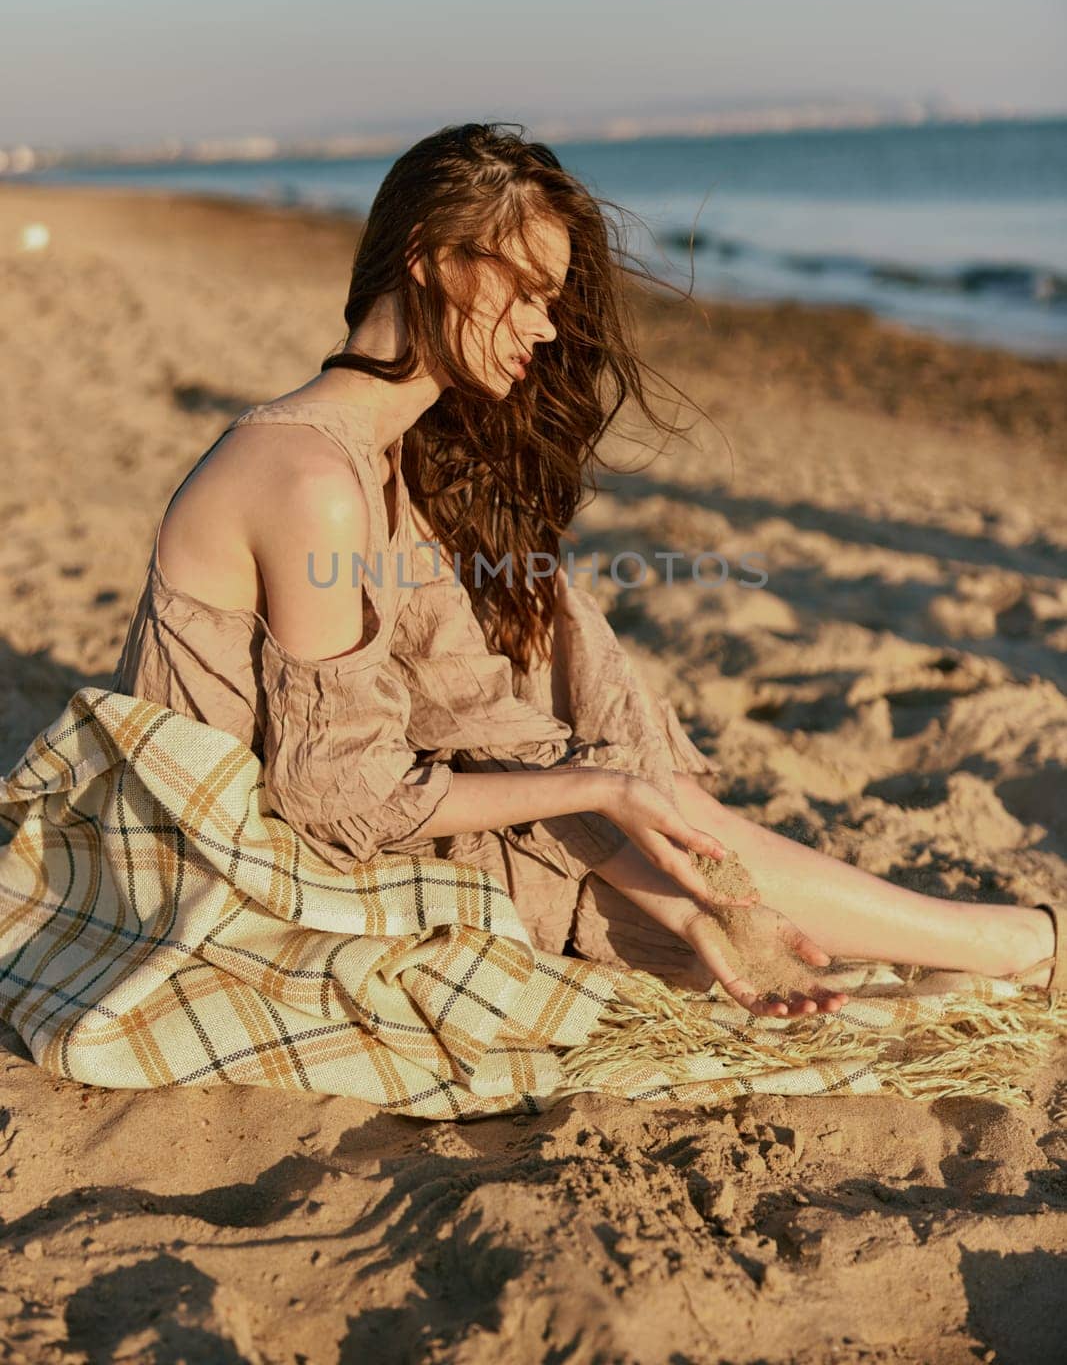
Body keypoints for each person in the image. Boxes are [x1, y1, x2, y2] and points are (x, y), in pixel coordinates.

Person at [110, 121, 1062, 1019]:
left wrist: (674, 883)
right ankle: (1011, 943)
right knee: (629, 811)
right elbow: (341, 796)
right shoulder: (312, 475)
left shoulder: (380, 460)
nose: (545, 328)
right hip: (238, 876)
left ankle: (989, 941)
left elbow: (438, 736)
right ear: (434, 260)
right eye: (525, 293)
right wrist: (604, 790)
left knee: (611, 765)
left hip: (298, 832)